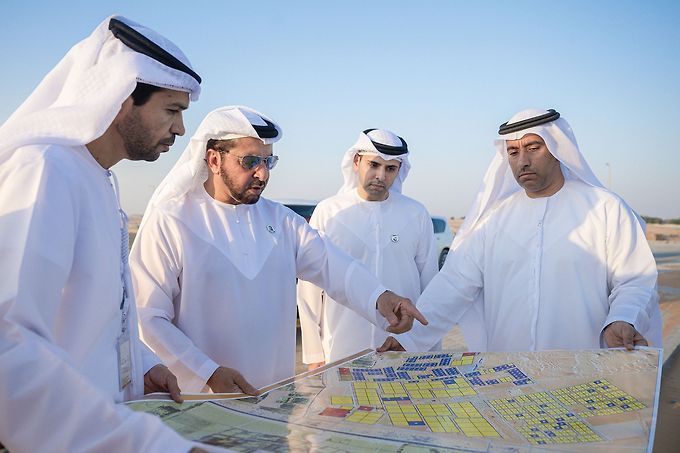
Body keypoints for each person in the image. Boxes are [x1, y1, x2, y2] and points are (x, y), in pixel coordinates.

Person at [0, 16, 206, 452]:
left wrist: (143, 363)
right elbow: (8, 343)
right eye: (172, 110)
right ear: (120, 99)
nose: (180, 130)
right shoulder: (45, 170)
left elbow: (96, 312)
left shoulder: (99, 179)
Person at [130, 106, 427, 394]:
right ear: (214, 160)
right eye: (250, 162)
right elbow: (148, 316)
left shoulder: (281, 221)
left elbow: (333, 265)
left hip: (272, 398)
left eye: (268, 162)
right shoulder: (172, 220)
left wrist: (381, 298)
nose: (263, 174)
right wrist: (207, 372)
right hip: (200, 398)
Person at [379, 108, 662, 354]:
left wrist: (622, 319)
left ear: (556, 148)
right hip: (509, 376)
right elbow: (453, 285)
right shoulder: (494, 219)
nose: (522, 160)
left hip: (584, 370)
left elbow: (635, 279)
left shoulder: (605, 209)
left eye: (533, 148)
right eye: (513, 152)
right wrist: (410, 340)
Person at [297, 129, 439, 369]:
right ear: (356, 162)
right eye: (373, 164)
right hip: (342, 346)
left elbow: (430, 283)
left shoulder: (416, 213)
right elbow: (310, 287)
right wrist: (314, 354)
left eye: (390, 169)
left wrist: (425, 345)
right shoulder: (330, 211)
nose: (380, 176)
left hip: (403, 346)